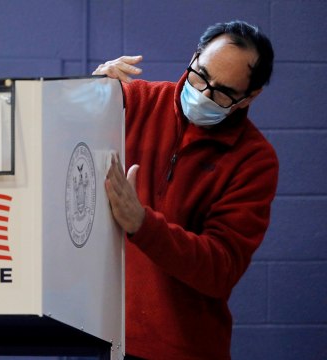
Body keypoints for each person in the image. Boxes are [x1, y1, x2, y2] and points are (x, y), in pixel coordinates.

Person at [93, 20, 278, 359]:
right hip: (104, 337)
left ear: (250, 97)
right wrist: (86, 95)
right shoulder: (134, 101)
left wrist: (142, 225)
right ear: (194, 56)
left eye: (223, 92)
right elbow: (60, 155)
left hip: (183, 347)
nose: (204, 94)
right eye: (200, 75)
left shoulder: (254, 159)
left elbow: (220, 269)